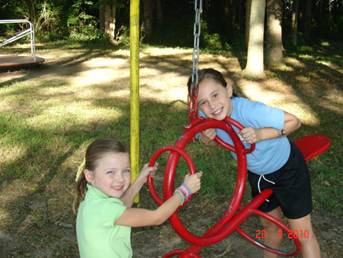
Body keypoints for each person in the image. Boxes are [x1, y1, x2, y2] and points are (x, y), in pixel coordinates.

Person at [187, 68, 320, 258]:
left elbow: (294, 121)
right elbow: (200, 136)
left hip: (287, 168)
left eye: (215, 95)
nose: (212, 105)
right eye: (203, 102)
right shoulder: (207, 116)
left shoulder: (250, 111)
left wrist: (261, 134)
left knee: (301, 232)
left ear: (229, 90)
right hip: (258, 174)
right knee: (268, 226)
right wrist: (206, 138)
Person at [73, 138, 202, 258]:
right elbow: (157, 217)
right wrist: (184, 191)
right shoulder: (105, 209)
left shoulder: (91, 202)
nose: (120, 178)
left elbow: (120, 207)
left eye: (126, 171)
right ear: (90, 176)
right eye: (110, 172)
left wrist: (140, 180)